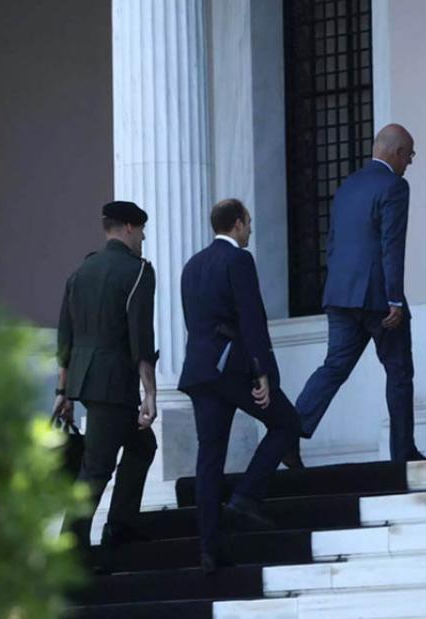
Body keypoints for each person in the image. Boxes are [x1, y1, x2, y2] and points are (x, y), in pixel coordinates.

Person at [178, 199, 302, 575]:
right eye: (248, 222)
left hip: (199, 370)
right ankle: (246, 496)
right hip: (231, 370)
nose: (250, 229)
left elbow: (194, 321)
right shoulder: (239, 260)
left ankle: (210, 549)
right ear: (236, 224)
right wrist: (263, 371)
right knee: (287, 423)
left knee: (209, 459)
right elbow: (251, 318)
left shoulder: (191, 265)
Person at [290, 124, 426, 463]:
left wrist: (337, 288)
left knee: (333, 367)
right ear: (397, 152)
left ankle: (288, 432)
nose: (410, 162)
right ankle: (402, 453)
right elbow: (391, 245)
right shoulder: (395, 186)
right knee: (399, 372)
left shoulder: (346, 185)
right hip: (379, 299)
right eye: (410, 154)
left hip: (340, 295)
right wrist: (394, 298)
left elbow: (333, 243)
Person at [52, 200, 158, 572]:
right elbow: (141, 338)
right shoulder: (138, 271)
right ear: (129, 227)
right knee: (97, 466)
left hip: (86, 380)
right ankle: (70, 548)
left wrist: (63, 391)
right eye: (141, 230)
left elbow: (65, 335)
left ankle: (120, 524)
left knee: (142, 445)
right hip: (113, 383)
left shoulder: (81, 271)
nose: (143, 237)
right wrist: (150, 393)